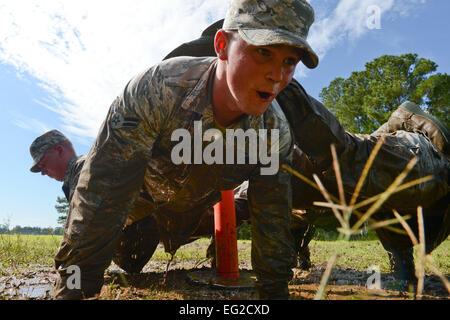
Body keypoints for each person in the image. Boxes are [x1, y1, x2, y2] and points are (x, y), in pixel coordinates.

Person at [53, 0, 321, 300]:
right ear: (222, 45)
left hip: (192, 212)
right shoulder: (155, 90)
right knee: (129, 262)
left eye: (290, 62)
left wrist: (274, 293)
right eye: (263, 52)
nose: (276, 75)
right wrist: (72, 288)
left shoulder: (274, 133)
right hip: (135, 210)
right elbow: (102, 194)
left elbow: (272, 216)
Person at [29, 130, 160, 274]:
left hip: (139, 235)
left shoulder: (83, 168)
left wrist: (64, 265)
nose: (43, 172)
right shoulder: (81, 170)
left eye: (43, 164)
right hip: (137, 239)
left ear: (59, 150)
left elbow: (81, 227)